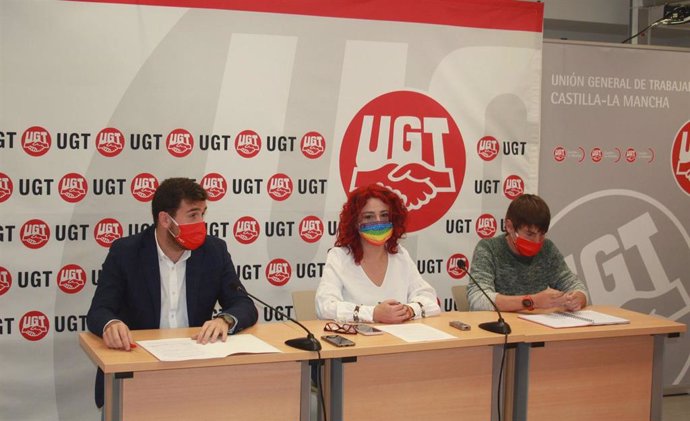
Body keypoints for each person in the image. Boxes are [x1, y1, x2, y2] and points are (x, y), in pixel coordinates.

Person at [86, 177, 258, 409]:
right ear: (165, 219)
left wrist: (225, 321)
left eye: (203, 215)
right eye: (192, 215)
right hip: (140, 369)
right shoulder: (126, 252)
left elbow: (243, 304)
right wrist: (111, 324)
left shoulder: (213, 250)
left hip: (197, 369)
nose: (200, 224)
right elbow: (99, 311)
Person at [315, 184, 440, 323]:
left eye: (384, 215)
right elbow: (324, 307)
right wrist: (373, 314)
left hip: (399, 340)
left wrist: (408, 311)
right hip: (357, 342)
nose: (378, 222)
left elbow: (429, 299)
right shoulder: (339, 256)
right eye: (369, 217)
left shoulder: (400, 254)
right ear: (355, 223)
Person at [467, 193, 589, 312]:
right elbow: (478, 300)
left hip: (537, 329)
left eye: (541, 234)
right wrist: (532, 301)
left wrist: (577, 298)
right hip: (500, 329)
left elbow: (575, 286)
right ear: (509, 227)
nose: (537, 241)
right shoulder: (488, 248)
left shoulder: (547, 249)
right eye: (530, 234)